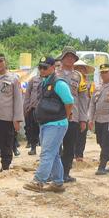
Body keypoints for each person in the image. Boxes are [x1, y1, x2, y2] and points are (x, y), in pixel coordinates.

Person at [25, 57, 74, 192]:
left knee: (46, 153)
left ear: (53, 67)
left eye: (45, 67)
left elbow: (69, 101)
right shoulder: (44, 82)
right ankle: (58, 182)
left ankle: (38, 181)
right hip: (46, 123)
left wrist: (66, 115)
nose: (42, 70)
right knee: (53, 154)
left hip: (56, 123)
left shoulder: (59, 83)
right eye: (40, 67)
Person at [55, 49, 87, 183]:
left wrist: (83, 119)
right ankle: (55, 173)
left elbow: (83, 98)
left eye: (72, 57)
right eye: (66, 56)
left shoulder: (79, 76)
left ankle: (65, 173)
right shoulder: (55, 74)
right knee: (55, 147)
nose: (69, 59)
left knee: (69, 147)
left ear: (75, 60)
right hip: (56, 116)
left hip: (73, 117)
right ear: (61, 59)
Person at [91, 63, 109, 174]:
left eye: (105, 72)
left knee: (106, 143)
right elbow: (92, 104)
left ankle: (102, 166)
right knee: (101, 143)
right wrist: (91, 118)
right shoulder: (98, 87)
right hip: (98, 119)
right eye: (101, 72)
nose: (103, 74)